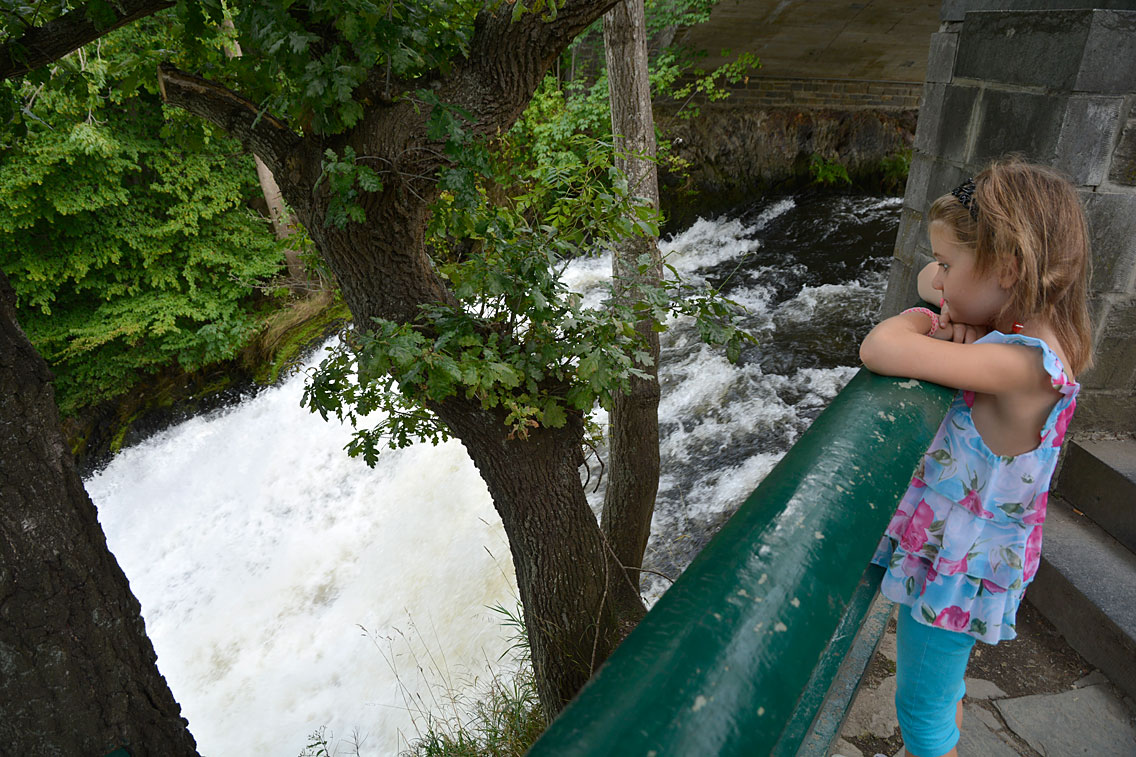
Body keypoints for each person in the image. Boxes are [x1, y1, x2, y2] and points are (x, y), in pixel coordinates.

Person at [858, 157, 1093, 757]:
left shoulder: (1016, 363)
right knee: (943, 689)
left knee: (921, 706)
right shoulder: (1034, 332)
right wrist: (955, 306)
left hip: (956, 570)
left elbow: (880, 347)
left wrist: (923, 321)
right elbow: (940, 282)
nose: (933, 279)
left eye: (946, 264)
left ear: (1009, 268)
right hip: (964, 559)